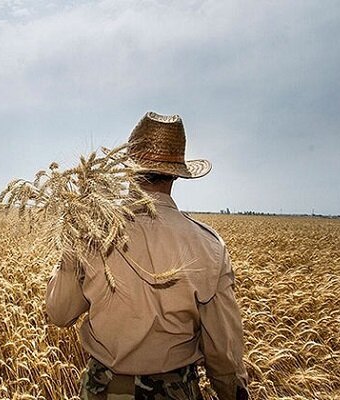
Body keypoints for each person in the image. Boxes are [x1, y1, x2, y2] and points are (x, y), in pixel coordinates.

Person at [45, 111, 249, 400]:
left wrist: (69, 246)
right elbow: (223, 350)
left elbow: (60, 313)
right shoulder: (209, 246)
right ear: (176, 175)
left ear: (128, 168)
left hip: (102, 391)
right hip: (175, 393)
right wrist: (233, 393)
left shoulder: (90, 233)